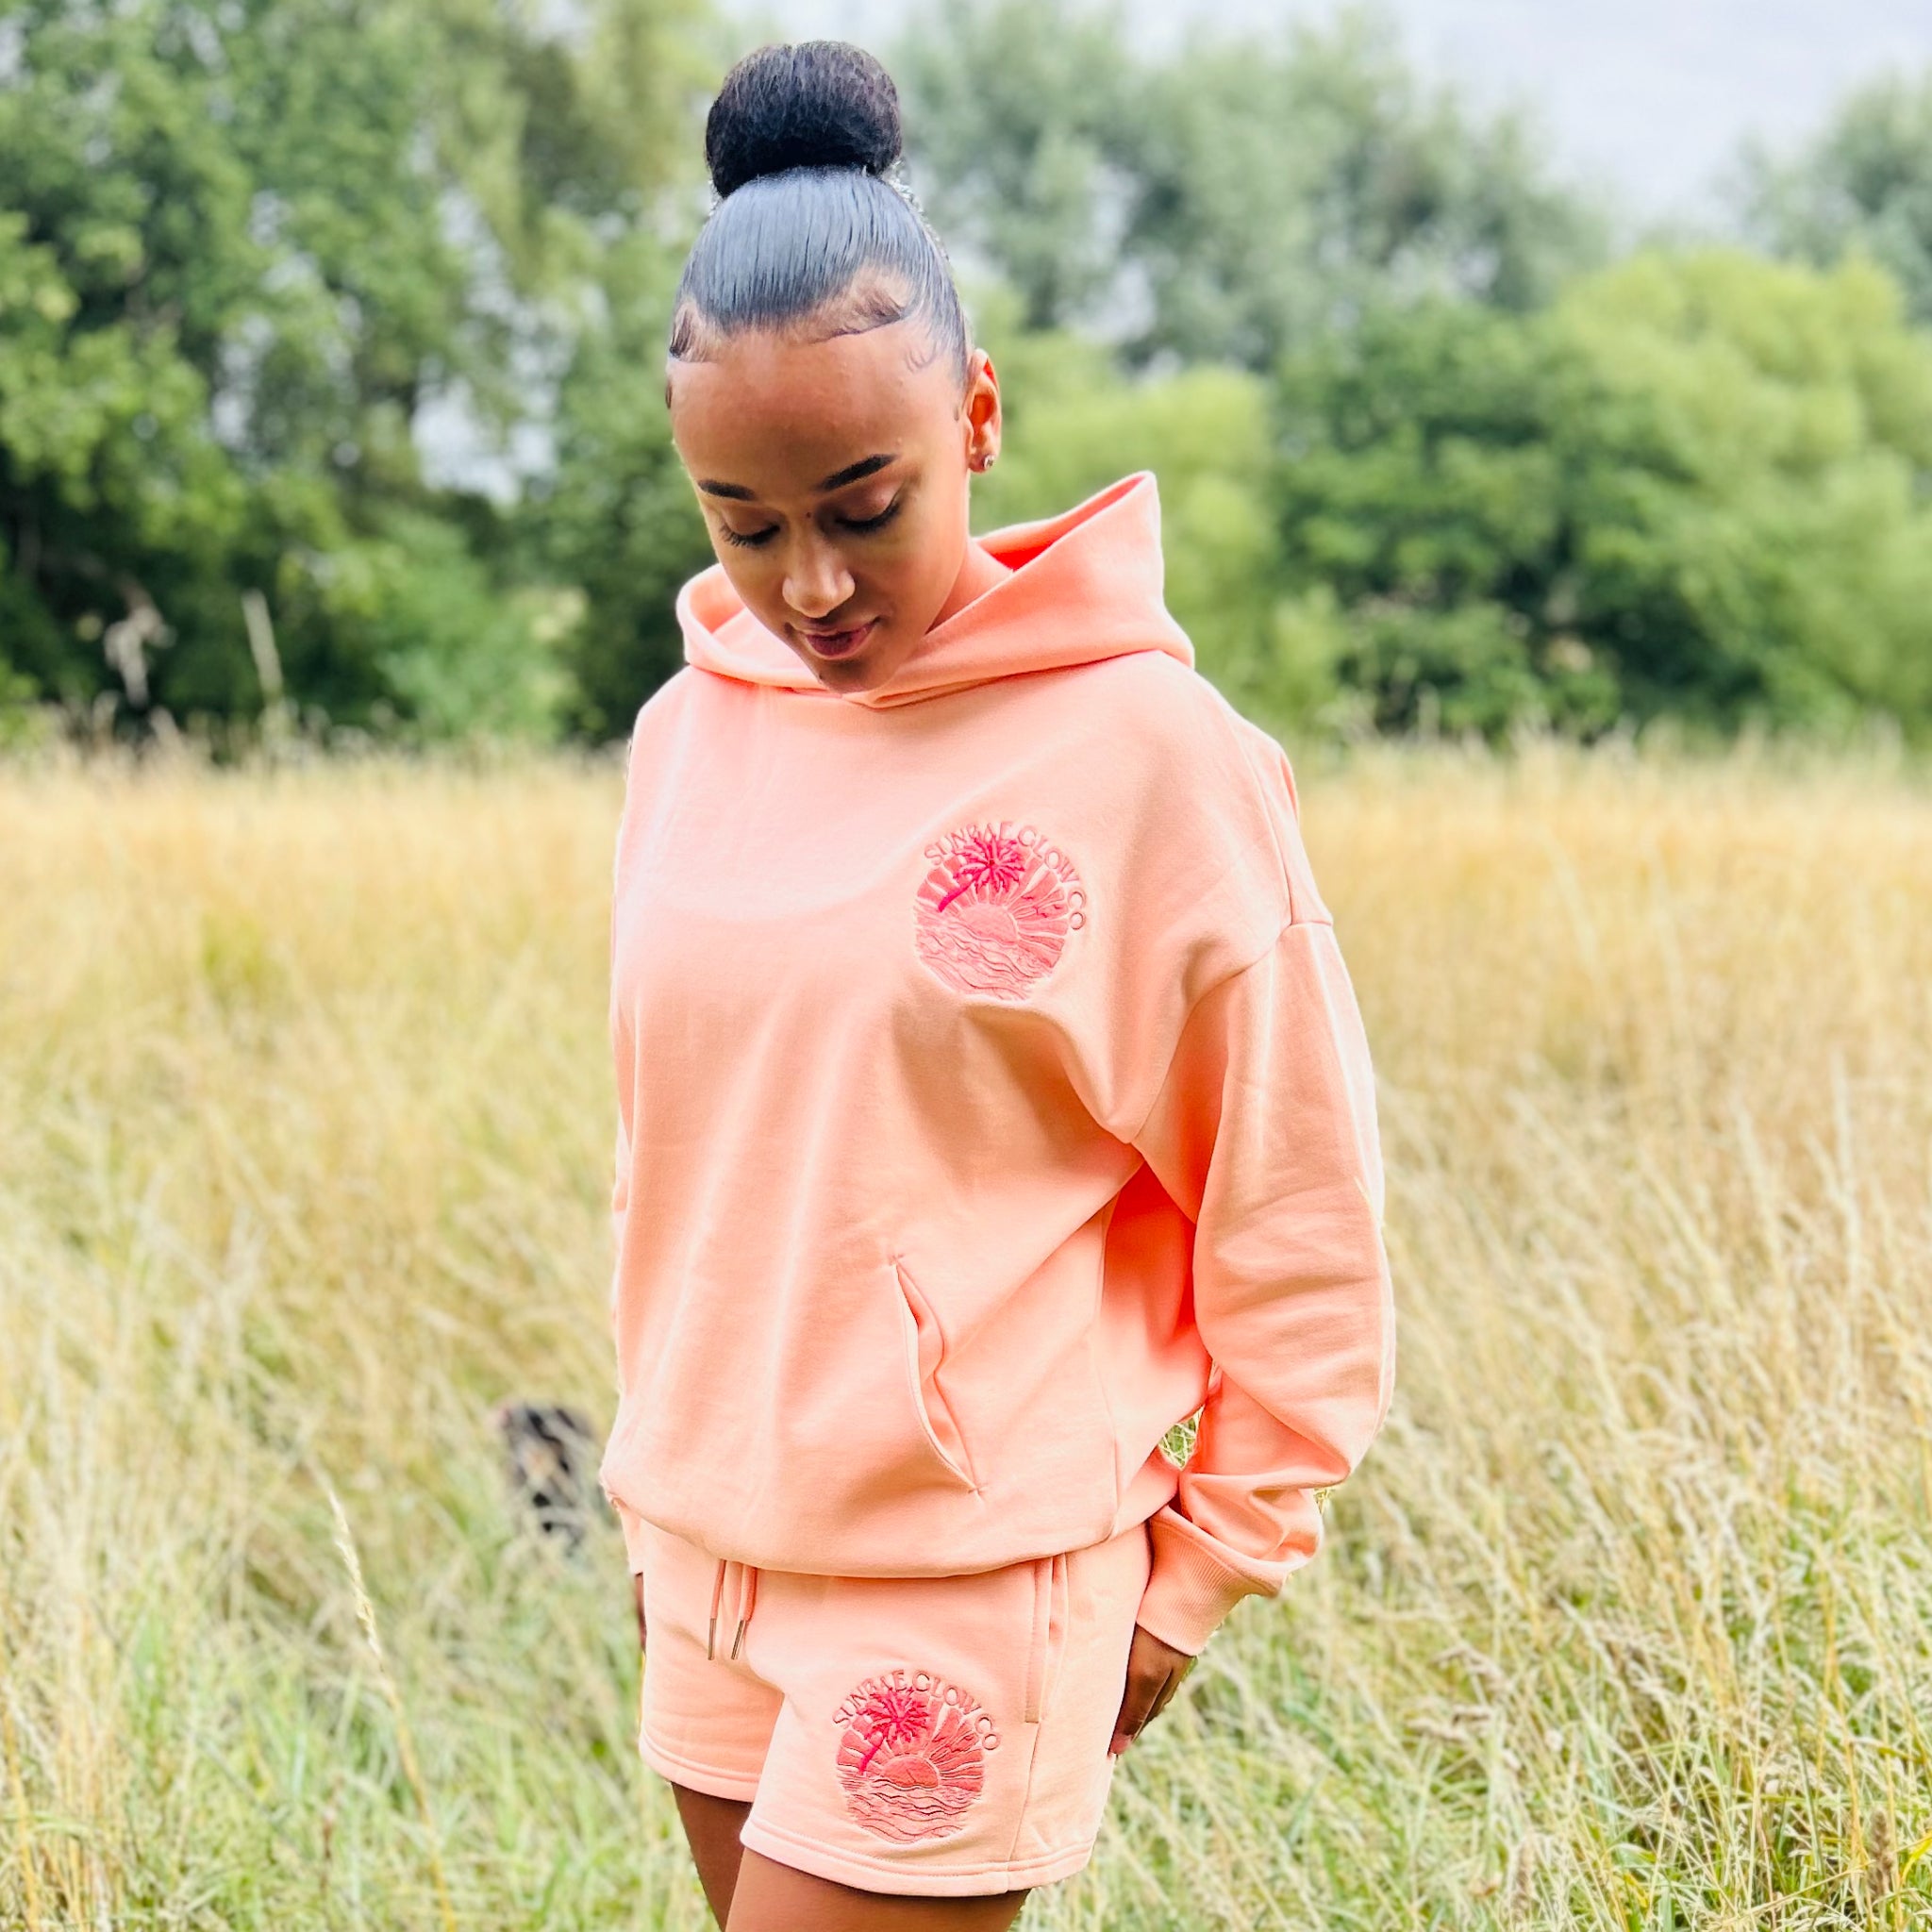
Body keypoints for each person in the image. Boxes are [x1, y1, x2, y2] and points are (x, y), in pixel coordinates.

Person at [597, 40, 1396, 1932]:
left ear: (972, 413)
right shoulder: (681, 735)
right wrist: (661, 1499)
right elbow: (675, 1155)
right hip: (707, 1557)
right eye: (745, 518)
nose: (810, 584)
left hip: (972, 1575)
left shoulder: (1151, 755)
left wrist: (1195, 1579)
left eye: (861, 504)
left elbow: (1297, 1212)